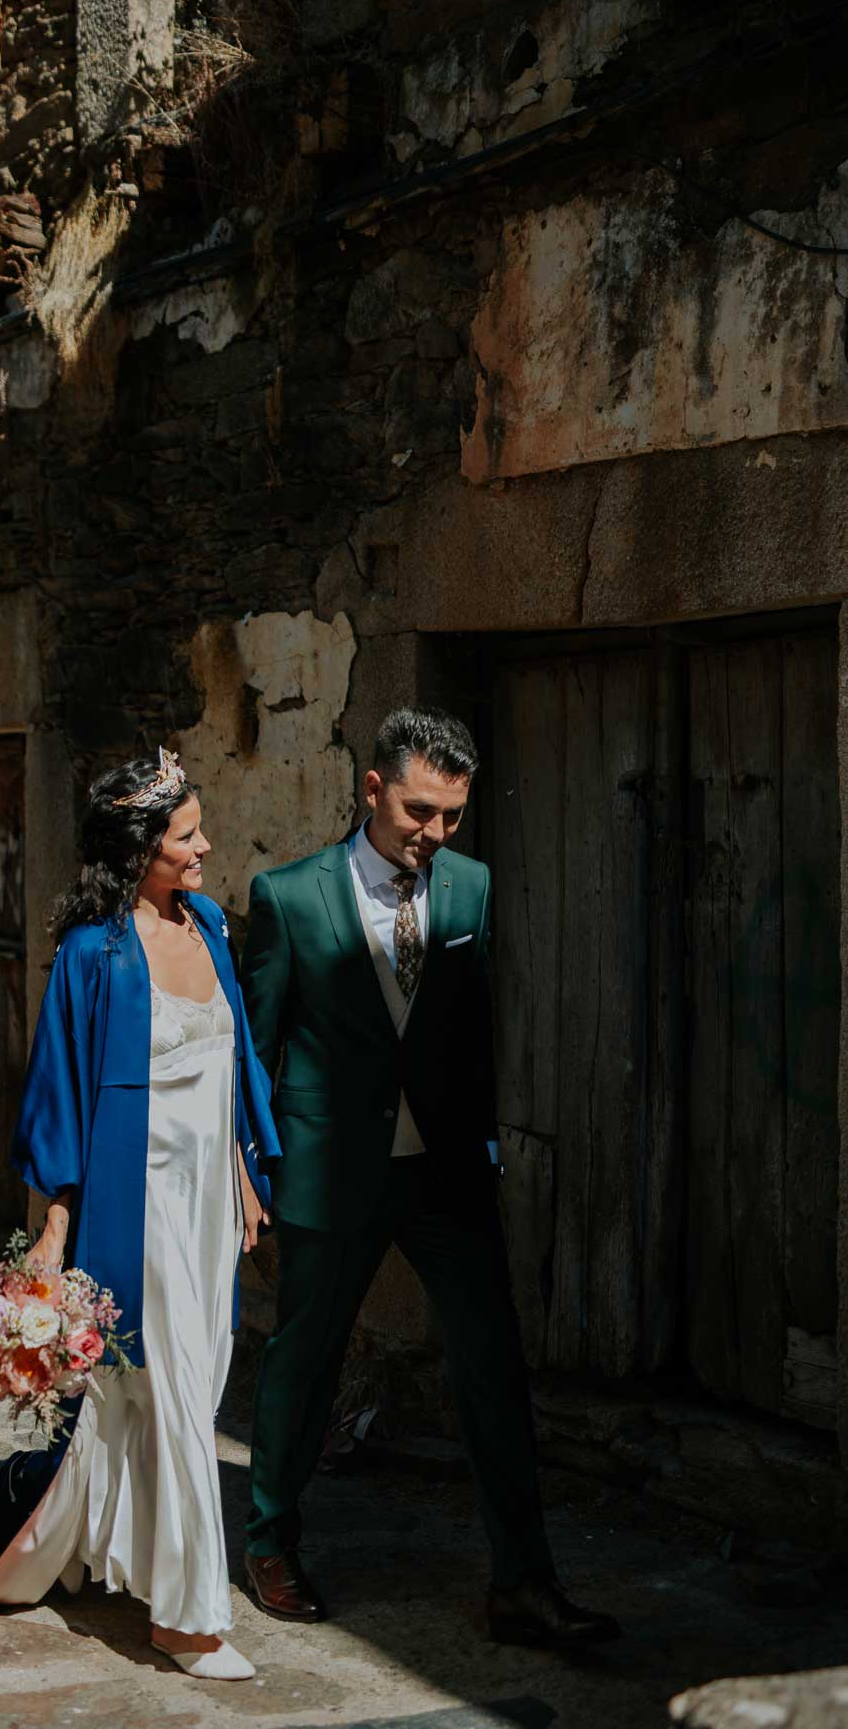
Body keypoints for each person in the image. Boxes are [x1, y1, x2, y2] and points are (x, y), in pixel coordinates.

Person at [239, 706, 620, 1648]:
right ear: (371, 789)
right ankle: (268, 1542)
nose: (435, 834)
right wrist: (252, 1172)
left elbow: (471, 1032)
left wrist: (484, 1151)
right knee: (304, 1360)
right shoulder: (287, 897)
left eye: (451, 815)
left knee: (492, 1368)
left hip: (446, 1175)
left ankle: (523, 1584)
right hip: (330, 1172)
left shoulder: (471, 889)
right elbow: (256, 1050)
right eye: (418, 812)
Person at [0, 748, 281, 1681]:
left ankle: (60, 1517)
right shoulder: (92, 954)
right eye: (187, 835)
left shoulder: (213, 926)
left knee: (183, 1390)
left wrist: (245, 1167)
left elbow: (234, 1059)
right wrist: (56, 1231)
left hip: (209, 1202)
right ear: (139, 848)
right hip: (133, 1203)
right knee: (177, 1395)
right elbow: (57, 1093)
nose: (205, 846)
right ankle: (185, 1617)